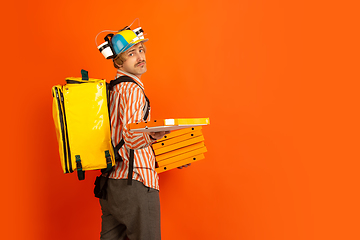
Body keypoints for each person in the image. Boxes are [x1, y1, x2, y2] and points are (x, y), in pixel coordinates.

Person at [98, 25, 167, 240]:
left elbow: (119, 134)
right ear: (118, 62)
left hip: (111, 184)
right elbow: (132, 135)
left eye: (141, 50)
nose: (140, 56)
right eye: (131, 53)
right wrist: (155, 133)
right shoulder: (133, 90)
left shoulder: (113, 89)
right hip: (136, 180)